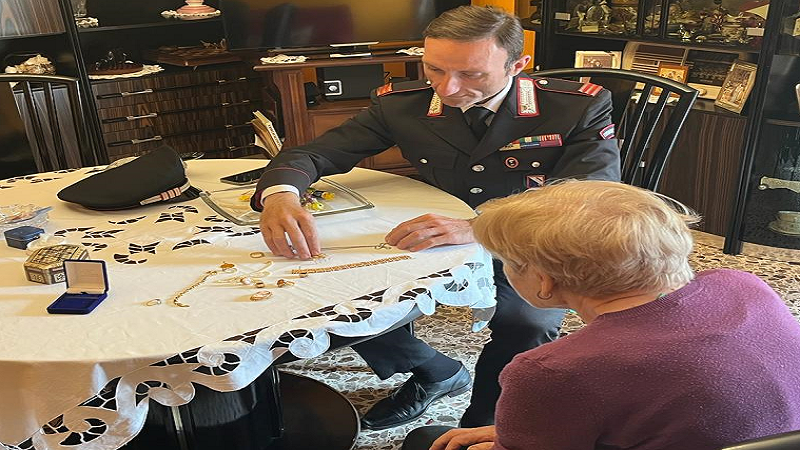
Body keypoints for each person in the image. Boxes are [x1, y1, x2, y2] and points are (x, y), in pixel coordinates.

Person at [251, 5, 621, 429]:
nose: (447, 88)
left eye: (472, 74)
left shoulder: (574, 107)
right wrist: (281, 195)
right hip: (439, 236)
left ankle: (484, 427)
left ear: (517, 65)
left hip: (531, 240)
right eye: (434, 69)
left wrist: (479, 227)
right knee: (333, 292)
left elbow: (588, 195)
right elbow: (313, 154)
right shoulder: (401, 104)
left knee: (526, 323)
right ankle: (436, 371)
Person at [402, 180, 800, 450]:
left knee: (427, 440)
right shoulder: (744, 285)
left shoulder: (551, 371)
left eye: (505, 261)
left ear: (543, 280)